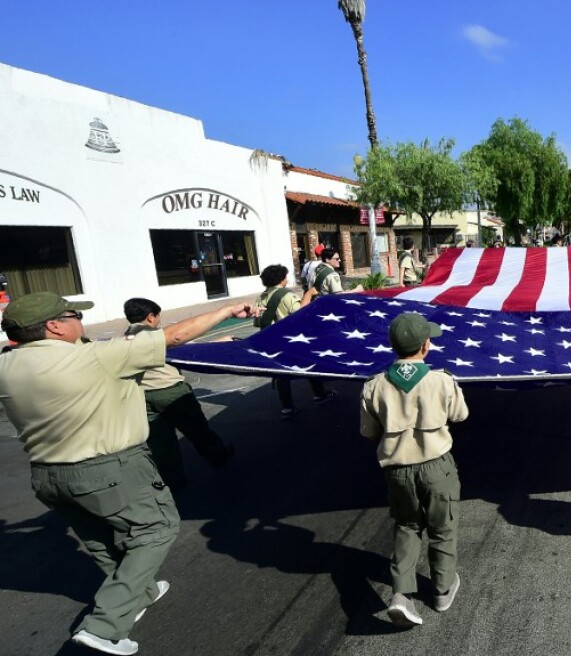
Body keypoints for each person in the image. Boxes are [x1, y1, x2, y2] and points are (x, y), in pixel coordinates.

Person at [0, 292, 251, 655]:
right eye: (73, 316)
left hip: (47, 476)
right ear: (55, 326)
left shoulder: (7, 366)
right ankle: (104, 628)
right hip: (108, 467)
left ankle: (141, 593)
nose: (79, 322)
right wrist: (227, 309)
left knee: (101, 539)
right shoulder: (97, 357)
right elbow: (175, 336)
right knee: (156, 529)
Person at [360, 312, 469, 626]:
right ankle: (443, 589)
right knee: (443, 527)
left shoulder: (374, 385)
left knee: (407, 526)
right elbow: (460, 415)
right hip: (437, 467)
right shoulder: (441, 380)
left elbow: (368, 431)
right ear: (425, 346)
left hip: (398, 471)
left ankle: (401, 595)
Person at [123, 298, 235, 489]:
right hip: (170, 392)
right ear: (150, 317)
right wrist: (222, 342)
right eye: (158, 316)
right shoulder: (157, 337)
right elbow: (189, 349)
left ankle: (172, 479)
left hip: (143, 395)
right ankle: (217, 454)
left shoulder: (125, 338)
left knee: (160, 439)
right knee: (197, 429)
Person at [255, 264, 336, 418]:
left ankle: (287, 407)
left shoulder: (262, 297)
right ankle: (320, 394)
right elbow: (300, 311)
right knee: (309, 364)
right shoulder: (285, 295)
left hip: (272, 339)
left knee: (281, 374)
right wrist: (308, 294)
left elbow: (258, 321)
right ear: (281, 279)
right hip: (291, 338)